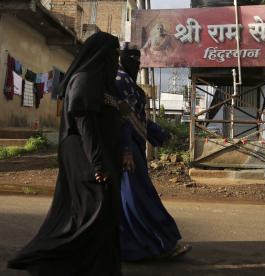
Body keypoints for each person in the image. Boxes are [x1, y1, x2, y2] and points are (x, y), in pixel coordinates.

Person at [7, 32, 122, 275]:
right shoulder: (85, 78)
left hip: (92, 153)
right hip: (83, 154)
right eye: (115, 54)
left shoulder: (99, 80)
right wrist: (98, 164)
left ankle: (96, 266)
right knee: (95, 209)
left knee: (99, 211)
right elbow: (85, 124)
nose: (117, 59)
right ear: (102, 54)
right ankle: (53, 263)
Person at [116, 42, 191, 262]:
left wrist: (157, 132)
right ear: (121, 58)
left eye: (139, 60)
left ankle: (137, 247)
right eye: (133, 59)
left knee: (134, 198)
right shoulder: (118, 82)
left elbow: (137, 117)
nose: (137, 64)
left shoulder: (127, 81)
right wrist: (126, 149)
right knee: (138, 199)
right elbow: (121, 120)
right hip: (126, 151)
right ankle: (156, 245)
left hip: (134, 147)